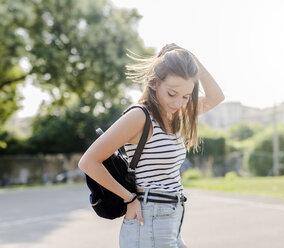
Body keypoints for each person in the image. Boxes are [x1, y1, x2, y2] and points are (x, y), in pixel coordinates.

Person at [78, 43, 225, 248]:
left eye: (185, 96)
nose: (178, 103)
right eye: (172, 94)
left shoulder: (174, 115)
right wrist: (128, 198)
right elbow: (88, 161)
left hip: (170, 218)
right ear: (155, 83)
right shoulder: (140, 116)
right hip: (150, 220)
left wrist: (192, 60)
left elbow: (216, 97)